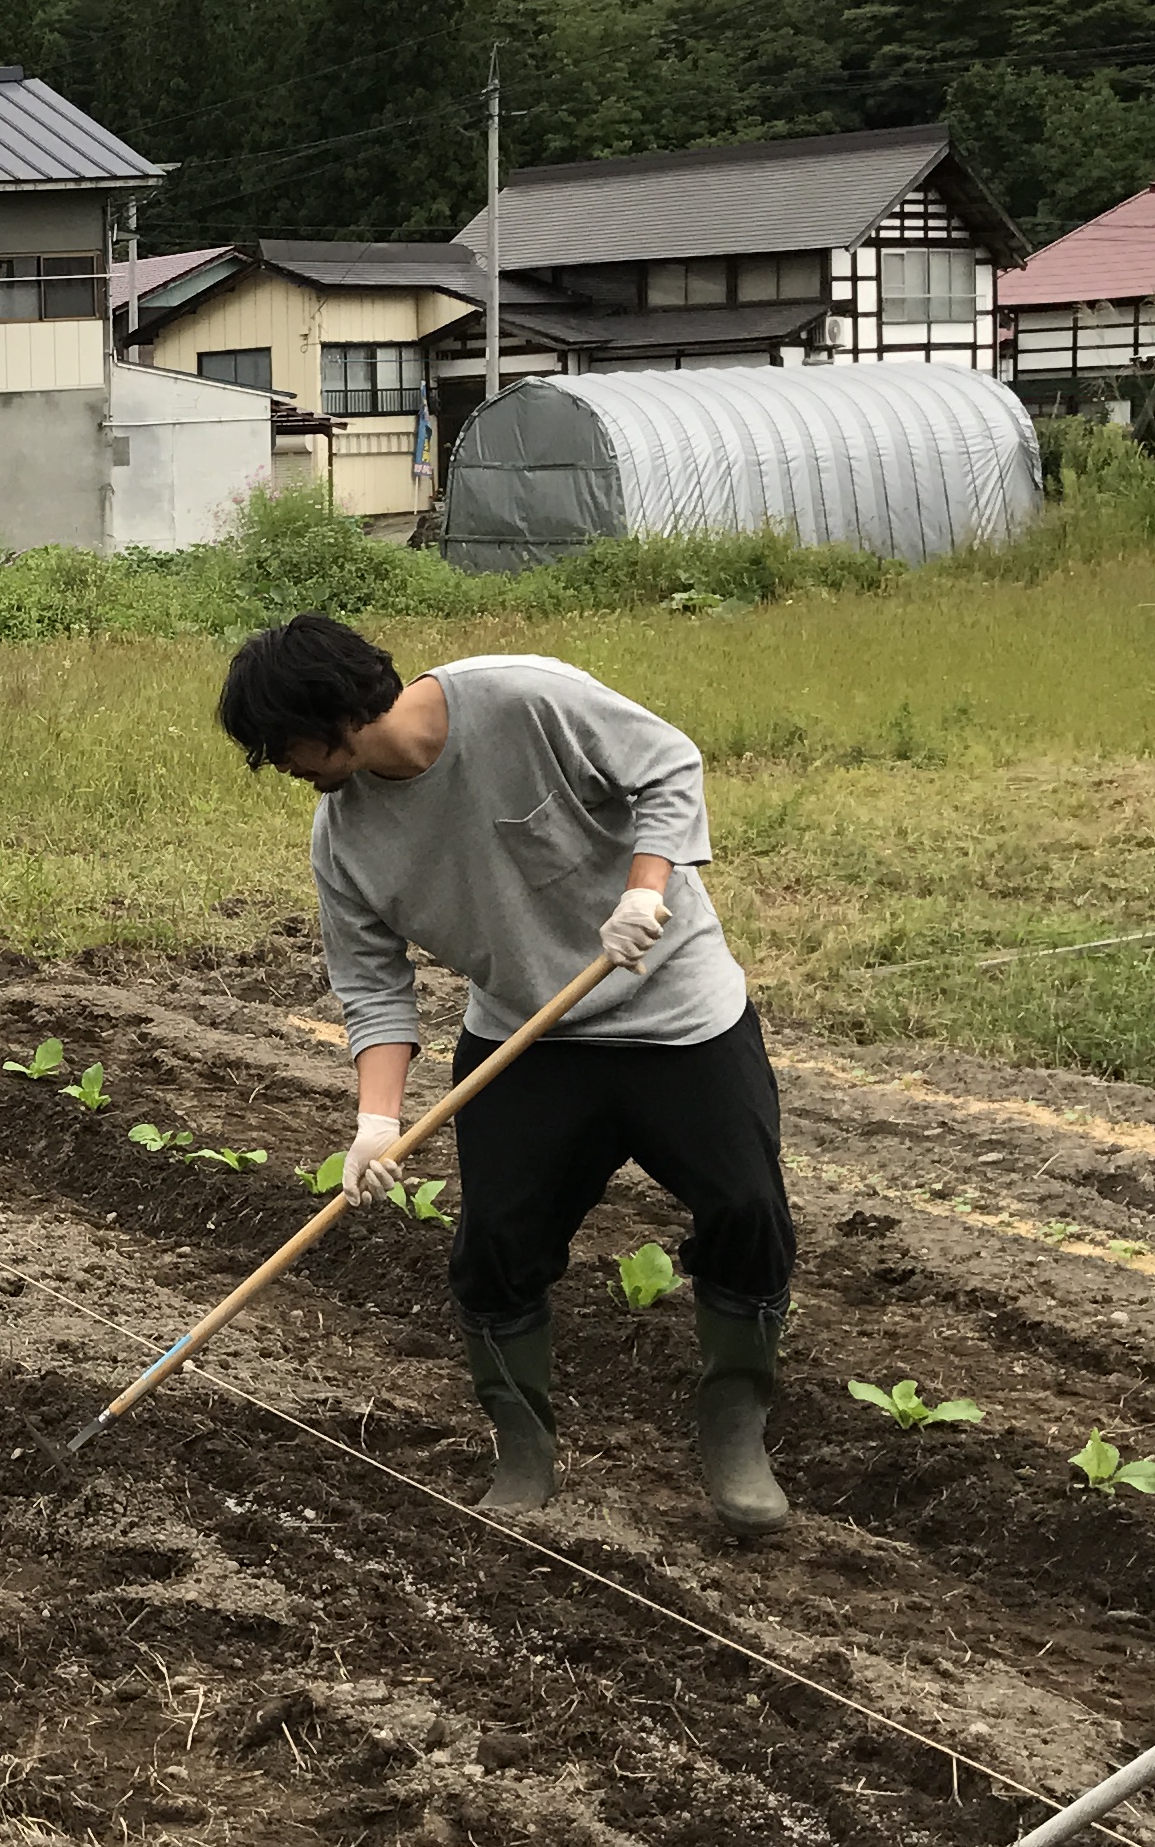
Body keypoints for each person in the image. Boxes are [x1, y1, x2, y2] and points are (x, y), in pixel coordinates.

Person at [216, 612, 796, 1534]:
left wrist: (647, 886)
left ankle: (735, 1438)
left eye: (278, 744)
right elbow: (372, 986)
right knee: (494, 1249)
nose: (277, 767)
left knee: (749, 1214)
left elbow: (669, 764)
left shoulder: (520, 698)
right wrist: (377, 1121)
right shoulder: (344, 837)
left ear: (327, 714)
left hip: (677, 1017)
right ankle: (524, 1451)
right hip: (528, 1035)